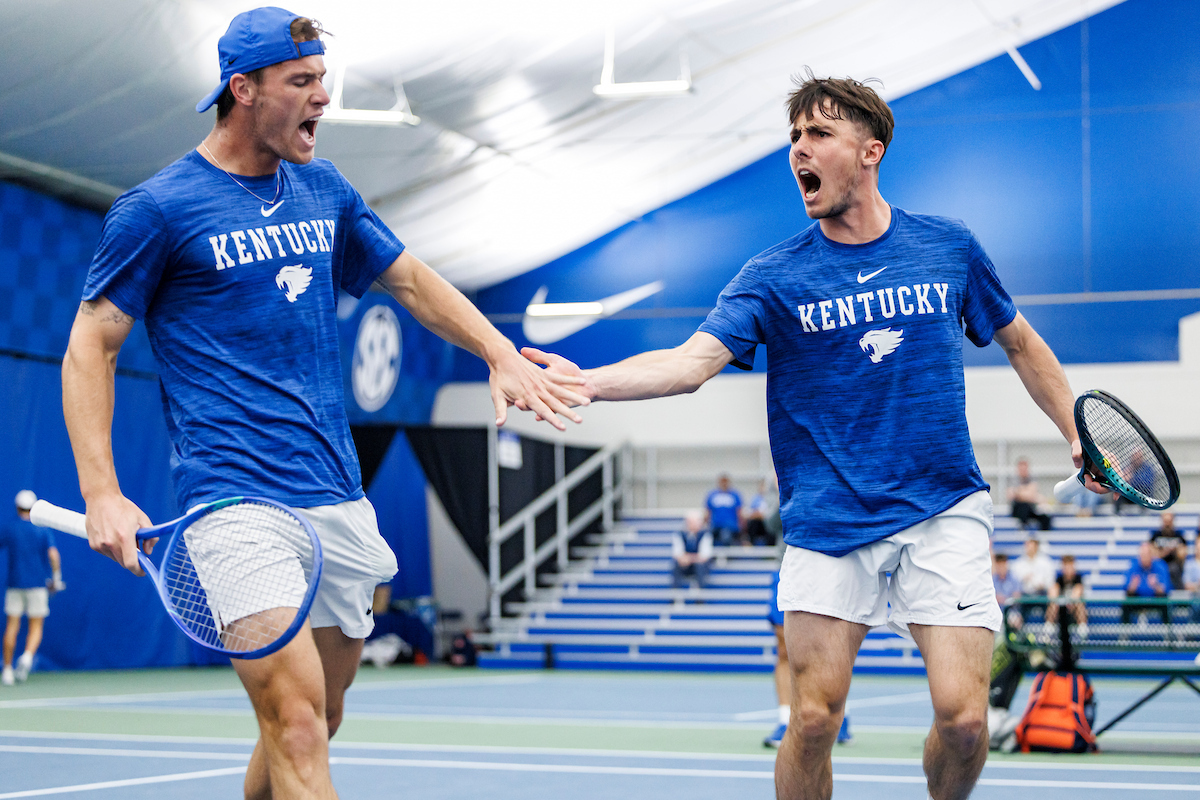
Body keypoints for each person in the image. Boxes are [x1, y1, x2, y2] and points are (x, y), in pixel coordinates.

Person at [522, 72, 1103, 800]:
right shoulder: (772, 275)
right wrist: (587, 381)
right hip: (828, 518)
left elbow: (1020, 342)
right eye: (794, 136)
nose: (799, 148)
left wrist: (1075, 428)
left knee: (963, 722)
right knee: (813, 719)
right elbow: (689, 363)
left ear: (870, 150)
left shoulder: (948, 247)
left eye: (819, 133)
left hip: (942, 505)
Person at [61, 9, 584, 798]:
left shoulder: (325, 190)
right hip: (234, 501)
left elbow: (411, 282)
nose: (323, 98)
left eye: (323, 80)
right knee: (297, 725)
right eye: (302, 81)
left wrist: (499, 352)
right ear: (243, 89)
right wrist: (101, 491)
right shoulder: (158, 209)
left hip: (337, 495)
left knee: (318, 717)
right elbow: (89, 348)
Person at [764, 569, 850, 748]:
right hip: (789, 565)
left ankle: (839, 715)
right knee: (784, 648)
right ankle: (785, 721)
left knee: (830, 645)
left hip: (830, 565)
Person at [1, 491, 64, 686]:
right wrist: (56, 579)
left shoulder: (10, 529)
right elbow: (53, 555)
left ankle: (8, 670)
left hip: (15, 584)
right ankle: (27, 657)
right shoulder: (42, 530)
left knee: (12, 626)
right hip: (37, 585)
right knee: (36, 626)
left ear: (17, 507)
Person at [1123, 541, 1171, 624]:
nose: (1144, 558)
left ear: (1151, 555)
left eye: (1146, 555)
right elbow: (1127, 588)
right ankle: (1125, 629)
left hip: (1155, 600)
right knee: (1126, 603)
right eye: (1142, 555)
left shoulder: (1160, 566)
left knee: (1164, 602)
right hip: (1138, 600)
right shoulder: (1133, 566)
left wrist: (1155, 585)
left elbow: (1165, 589)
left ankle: (1167, 629)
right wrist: (1133, 586)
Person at [1046, 554, 1087, 637]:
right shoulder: (1059, 579)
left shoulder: (1078, 578)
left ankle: (1082, 627)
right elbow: (1053, 594)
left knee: (1079, 603)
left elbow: (1077, 592)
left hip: (1073, 609)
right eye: (1066, 566)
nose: (1068, 569)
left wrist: (1070, 603)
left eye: (1070, 566)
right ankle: (1049, 626)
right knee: (1053, 603)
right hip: (1060, 609)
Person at [671, 510, 713, 589]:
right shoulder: (680, 534)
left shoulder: (705, 534)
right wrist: (691, 558)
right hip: (685, 566)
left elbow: (704, 556)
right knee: (676, 564)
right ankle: (675, 591)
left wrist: (689, 558)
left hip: (699, 566)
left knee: (700, 566)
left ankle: (700, 592)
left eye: (697, 522)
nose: (695, 524)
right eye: (692, 522)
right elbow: (678, 554)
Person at [1008, 458, 1051, 531]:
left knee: (1045, 518)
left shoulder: (1032, 479)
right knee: (1023, 508)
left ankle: (1043, 536)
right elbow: (1010, 495)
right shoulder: (1013, 479)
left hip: (1030, 508)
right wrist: (1027, 492)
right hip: (1018, 509)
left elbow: (1031, 494)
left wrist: (1019, 492)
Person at [1149, 512, 1187, 590]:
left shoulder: (1179, 535)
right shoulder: (1156, 536)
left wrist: (1175, 550)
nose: (1167, 524)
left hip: (1175, 566)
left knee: (1173, 568)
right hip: (1158, 565)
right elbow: (1152, 554)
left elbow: (1182, 555)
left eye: (1169, 522)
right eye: (1165, 521)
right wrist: (1165, 551)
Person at [705, 474, 743, 546]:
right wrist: (706, 523)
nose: (724, 484)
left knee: (726, 536)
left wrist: (741, 525)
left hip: (730, 525)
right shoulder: (712, 495)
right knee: (708, 538)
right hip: (715, 524)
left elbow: (739, 511)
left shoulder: (735, 495)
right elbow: (708, 511)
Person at [745, 479, 776, 546]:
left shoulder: (771, 498)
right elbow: (750, 512)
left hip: (767, 521)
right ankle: (751, 543)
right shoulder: (755, 498)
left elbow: (771, 512)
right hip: (758, 521)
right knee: (753, 524)